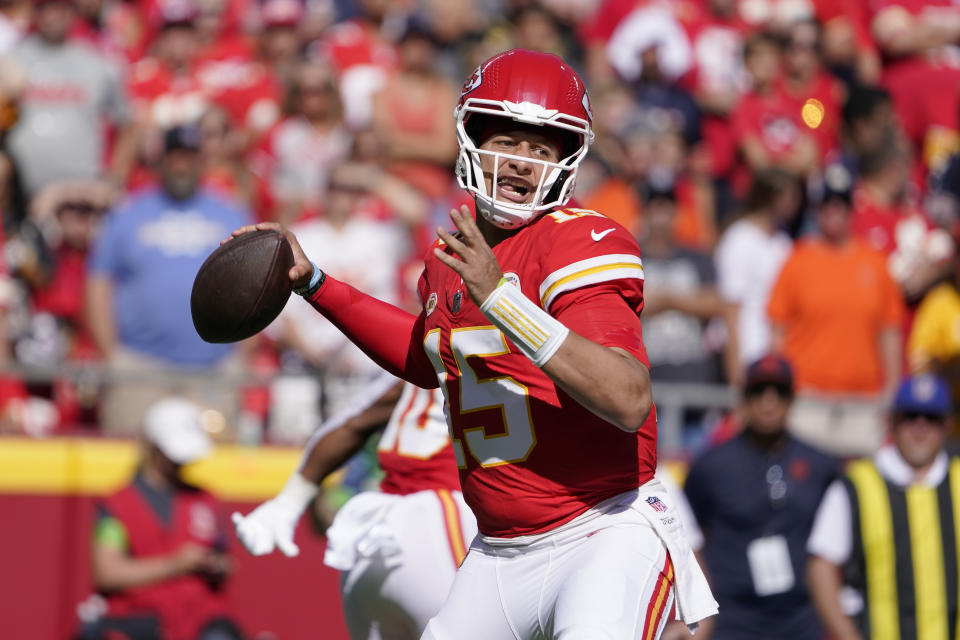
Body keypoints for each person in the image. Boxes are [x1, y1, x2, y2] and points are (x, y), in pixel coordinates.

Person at [227, 49, 716, 640]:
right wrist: (314, 283)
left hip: (601, 530)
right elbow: (426, 358)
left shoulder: (582, 240)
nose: (522, 162)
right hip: (498, 552)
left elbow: (627, 395)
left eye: (543, 148)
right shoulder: (456, 256)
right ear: (470, 138)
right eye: (508, 140)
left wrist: (501, 297)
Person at [233, 373, 478, 640]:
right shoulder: (502, 345)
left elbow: (352, 421)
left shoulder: (424, 351)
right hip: (443, 518)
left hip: (375, 527)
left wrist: (289, 501)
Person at [85, 123, 251, 435]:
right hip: (139, 367)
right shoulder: (128, 213)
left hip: (212, 370)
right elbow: (98, 282)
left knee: (213, 466)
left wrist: (241, 355)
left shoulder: (230, 212)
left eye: (189, 157)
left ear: (202, 161)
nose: (181, 165)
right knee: (130, 460)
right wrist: (112, 355)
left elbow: (255, 283)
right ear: (160, 161)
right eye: (174, 157)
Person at [683, 355, 838, 640]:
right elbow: (690, 539)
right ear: (744, 398)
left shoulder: (820, 466)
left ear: (791, 398)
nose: (769, 400)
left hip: (800, 618)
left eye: (778, 391)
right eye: (758, 390)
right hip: (732, 618)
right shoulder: (712, 466)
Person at [767, 164, 905, 457]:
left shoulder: (875, 262)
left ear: (851, 208)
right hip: (807, 400)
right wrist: (780, 392)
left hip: (864, 404)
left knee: (863, 491)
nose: (834, 210)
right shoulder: (798, 259)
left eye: (841, 203)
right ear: (817, 209)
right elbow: (777, 334)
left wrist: (891, 396)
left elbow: (890, 334)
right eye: (827, 203)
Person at [807, 374, 957, 640]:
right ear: (891, 422)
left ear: (946, 426)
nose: (920, 427)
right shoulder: (857, 484)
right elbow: (821, 567)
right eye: (910, 416)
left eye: (931, 418)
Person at [81, 397, 243, 640]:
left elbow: (226, 560)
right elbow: (107, 572)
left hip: (203, 619)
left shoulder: (205, 500)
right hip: (138, 620)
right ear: (153, 447)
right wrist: (175, 565)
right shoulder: (117, 505)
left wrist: (216, 565)